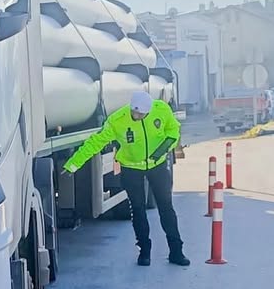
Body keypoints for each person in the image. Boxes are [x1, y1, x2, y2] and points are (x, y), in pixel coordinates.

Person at [64, 91, 190, 267]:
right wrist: (73, 164)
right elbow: (95, 142)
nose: (137, 116)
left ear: (149, 110)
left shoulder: (161, 110)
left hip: (158, 166)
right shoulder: (118, 120)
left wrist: (162, 150)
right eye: (134, 113)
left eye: (141, 114)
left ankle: (176, 252)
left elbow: (173, 130)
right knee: (138, 210)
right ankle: (144, 252)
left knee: (166, 208)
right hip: (131, 169)